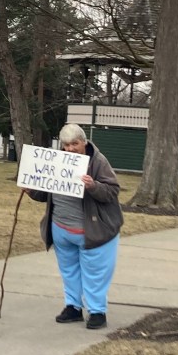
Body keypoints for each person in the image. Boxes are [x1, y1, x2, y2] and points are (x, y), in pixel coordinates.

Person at [27, 123, 123, 330]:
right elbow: (45, 193)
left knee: (95, 273)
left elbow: (112, 191)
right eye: (66, 145)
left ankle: (97, 311)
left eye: (74, 144)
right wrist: (30, 190)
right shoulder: (56, 160)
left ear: (84, 142)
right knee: (69, 271)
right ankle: (73, 307)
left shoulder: (98, 161)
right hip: (61, 229)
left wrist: (93, 186)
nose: (70, 148)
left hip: (94, 232)